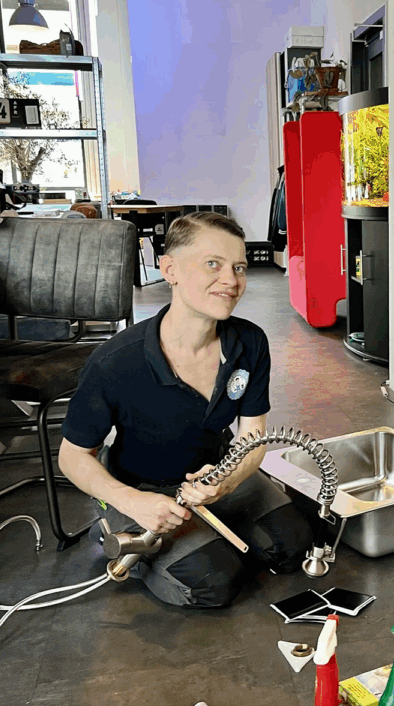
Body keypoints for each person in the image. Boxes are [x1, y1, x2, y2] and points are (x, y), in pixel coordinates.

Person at [58, 210, 315, 608]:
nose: (231, 280)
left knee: (293, 546)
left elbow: (253, 436)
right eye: (213, 264)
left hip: (215, 476)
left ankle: (207, 532)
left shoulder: (249, 343)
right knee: (213, 583)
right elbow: (73, 456)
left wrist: (228, 479)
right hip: (142, 488)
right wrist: (131, 501)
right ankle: (111, 524)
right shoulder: (115, 362)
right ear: (170, 270)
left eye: (239, 267)